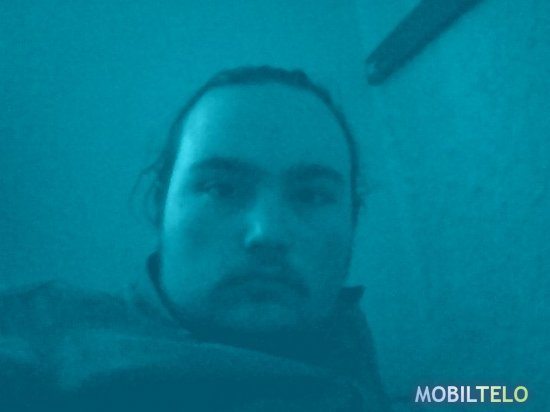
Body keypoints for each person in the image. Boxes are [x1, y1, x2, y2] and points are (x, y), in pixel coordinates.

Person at [0, 66, 390, 411]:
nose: (267, 233)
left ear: (353, 217)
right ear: (158, 204)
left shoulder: (350, 342)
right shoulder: (40, 344)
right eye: (221, 189)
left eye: (312, 195)